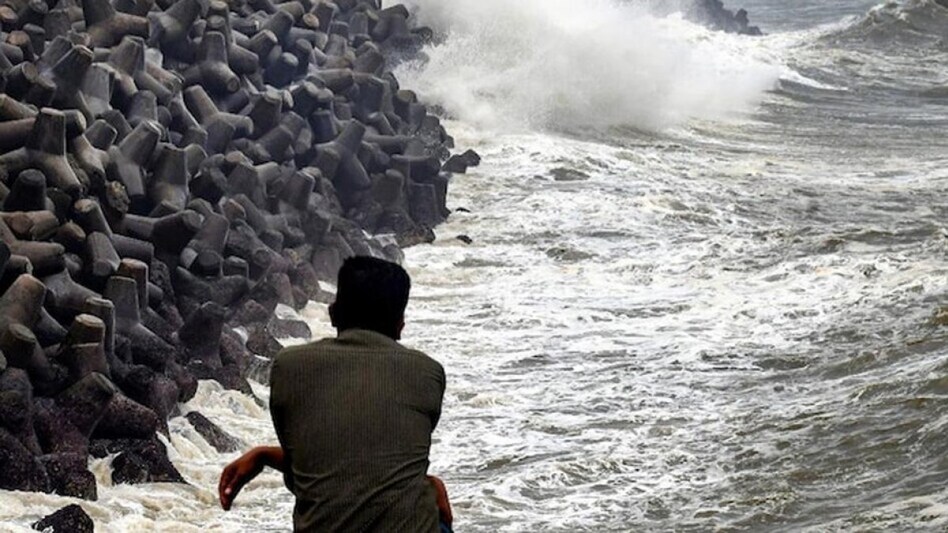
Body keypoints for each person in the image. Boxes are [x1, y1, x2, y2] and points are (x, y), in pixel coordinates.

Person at [219, 256, 453, 532]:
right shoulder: (427, 372)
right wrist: (431, 484)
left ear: (333, 313)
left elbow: (311, 464)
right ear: (400, 323)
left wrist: (264, 455)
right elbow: (378, 460)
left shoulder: (290, 366)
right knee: (431, 496)